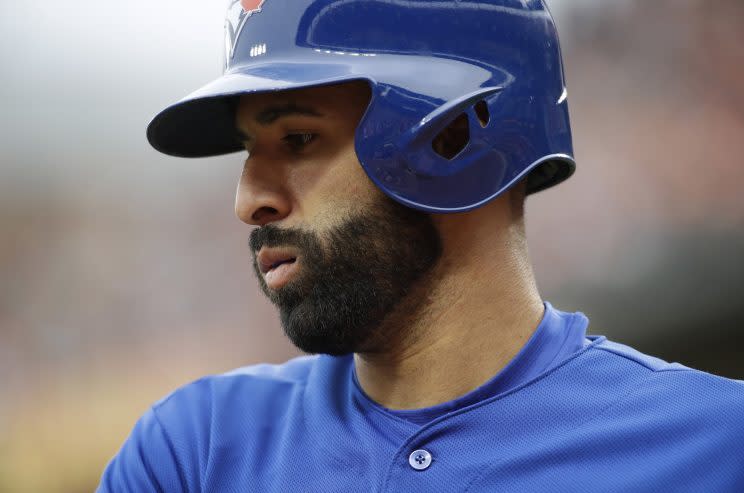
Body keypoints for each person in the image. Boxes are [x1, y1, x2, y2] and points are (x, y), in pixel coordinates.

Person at [99, 1, 744, 491]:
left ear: (455, 136)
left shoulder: (717, 447)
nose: (249, 202)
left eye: (296, 139)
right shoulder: (195, 451)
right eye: (249, 150)